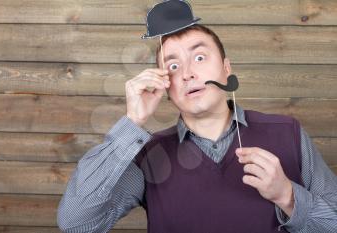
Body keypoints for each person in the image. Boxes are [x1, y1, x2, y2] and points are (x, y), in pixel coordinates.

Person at [57, 2, 337, 233]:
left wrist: (287, 196)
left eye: (200, 58)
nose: (188, 73)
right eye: (174, 65)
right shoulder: (148, 155)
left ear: (227, 69)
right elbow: (76, 224)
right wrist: (132, 123)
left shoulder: (287, 132)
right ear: (165, 85)